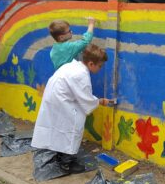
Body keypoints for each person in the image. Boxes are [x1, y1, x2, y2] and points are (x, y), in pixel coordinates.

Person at [31, 44, 110, 177]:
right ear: (91, 64)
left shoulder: (72, 65)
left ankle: (60, 154)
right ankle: (67, 162)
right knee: (72, 127)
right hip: (61, 102)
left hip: (54, 99)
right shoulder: (82, 75)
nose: (100, 69)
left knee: (59, 127)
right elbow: (86, 99)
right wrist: (100, 101)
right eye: (100, 66)